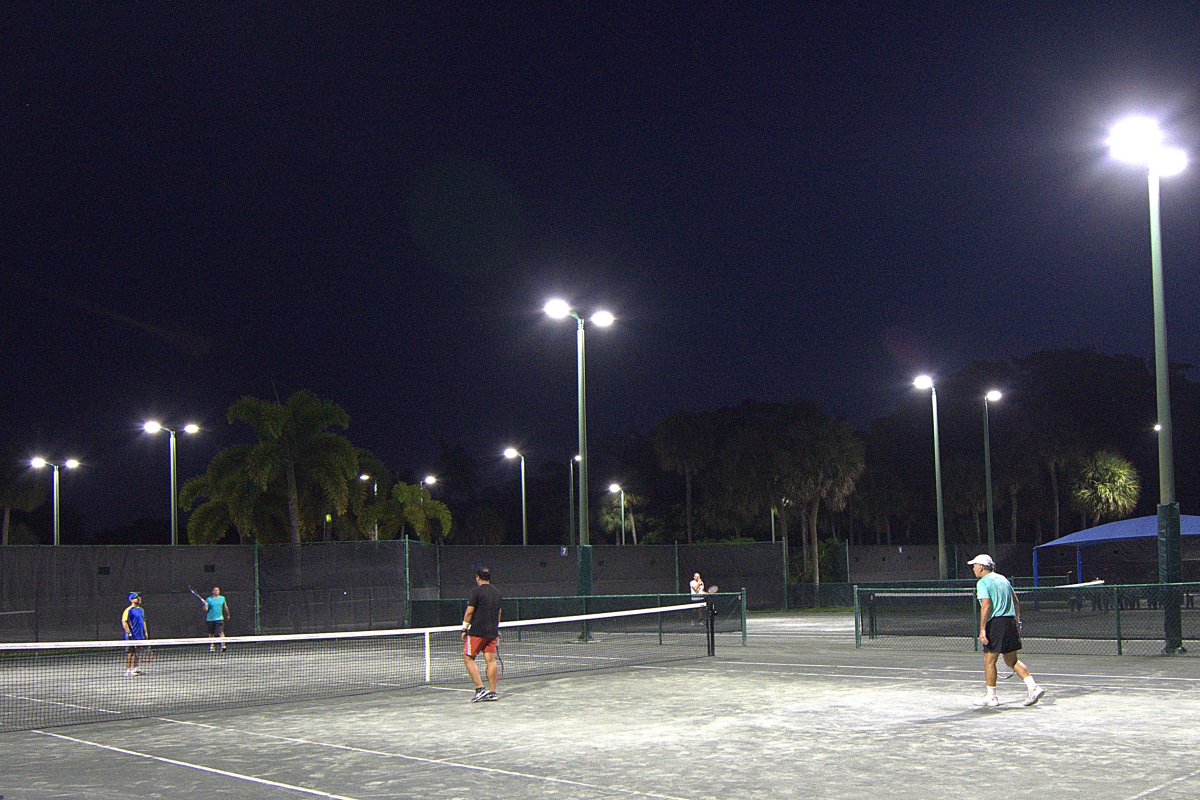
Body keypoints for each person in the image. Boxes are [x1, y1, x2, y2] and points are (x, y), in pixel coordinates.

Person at [969, 554, 1045, 707]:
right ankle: (1033, 687)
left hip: (996, 623)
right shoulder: (1003, 579)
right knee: (1012, 660)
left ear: (981, 567)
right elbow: (1016, 601)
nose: (973, 568)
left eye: (974, 565)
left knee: (989, 661)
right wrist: (1017, 621)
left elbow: (986, 605)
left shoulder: (983, 583)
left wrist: (982, 629)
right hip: (1009, 622)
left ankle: (991, 697)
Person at [462, 567, 502, 702]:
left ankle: (480, 689)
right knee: (491, 660)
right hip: (492, 632)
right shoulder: (497, 592)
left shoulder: (476, 591)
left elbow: (469, 612)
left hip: (477, 632)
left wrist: (464, 629)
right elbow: (498, 614)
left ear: (478, 577)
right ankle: (492, 692)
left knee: (468, 658)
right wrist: (496, 629)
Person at [121, 592, 148, 677]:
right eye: (136, 597)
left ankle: (135, 669)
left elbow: (143, 621)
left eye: (139, 597)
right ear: (131, 600)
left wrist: (145, 632)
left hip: (140, 635)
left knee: (136, 653)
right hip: (132, 635)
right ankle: (128, 670)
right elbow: (124, 622)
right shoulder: (129, 610)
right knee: (130, 653)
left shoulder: (141, 610)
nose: (139, 598)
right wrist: (129, 633)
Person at [198, 586, 229, 652]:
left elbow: (225, 607)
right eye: (215, 590)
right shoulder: (209, 599)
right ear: (212, 592)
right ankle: (212, 646)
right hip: (210, 619)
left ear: (219, 591)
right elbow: (205, 609)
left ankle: (223, 645)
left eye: (217, 590)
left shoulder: (222, 598)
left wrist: (228, 614)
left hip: (220, 618)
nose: (216, 591)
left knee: (221, 632)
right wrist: (204, 604)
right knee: (211, 633)